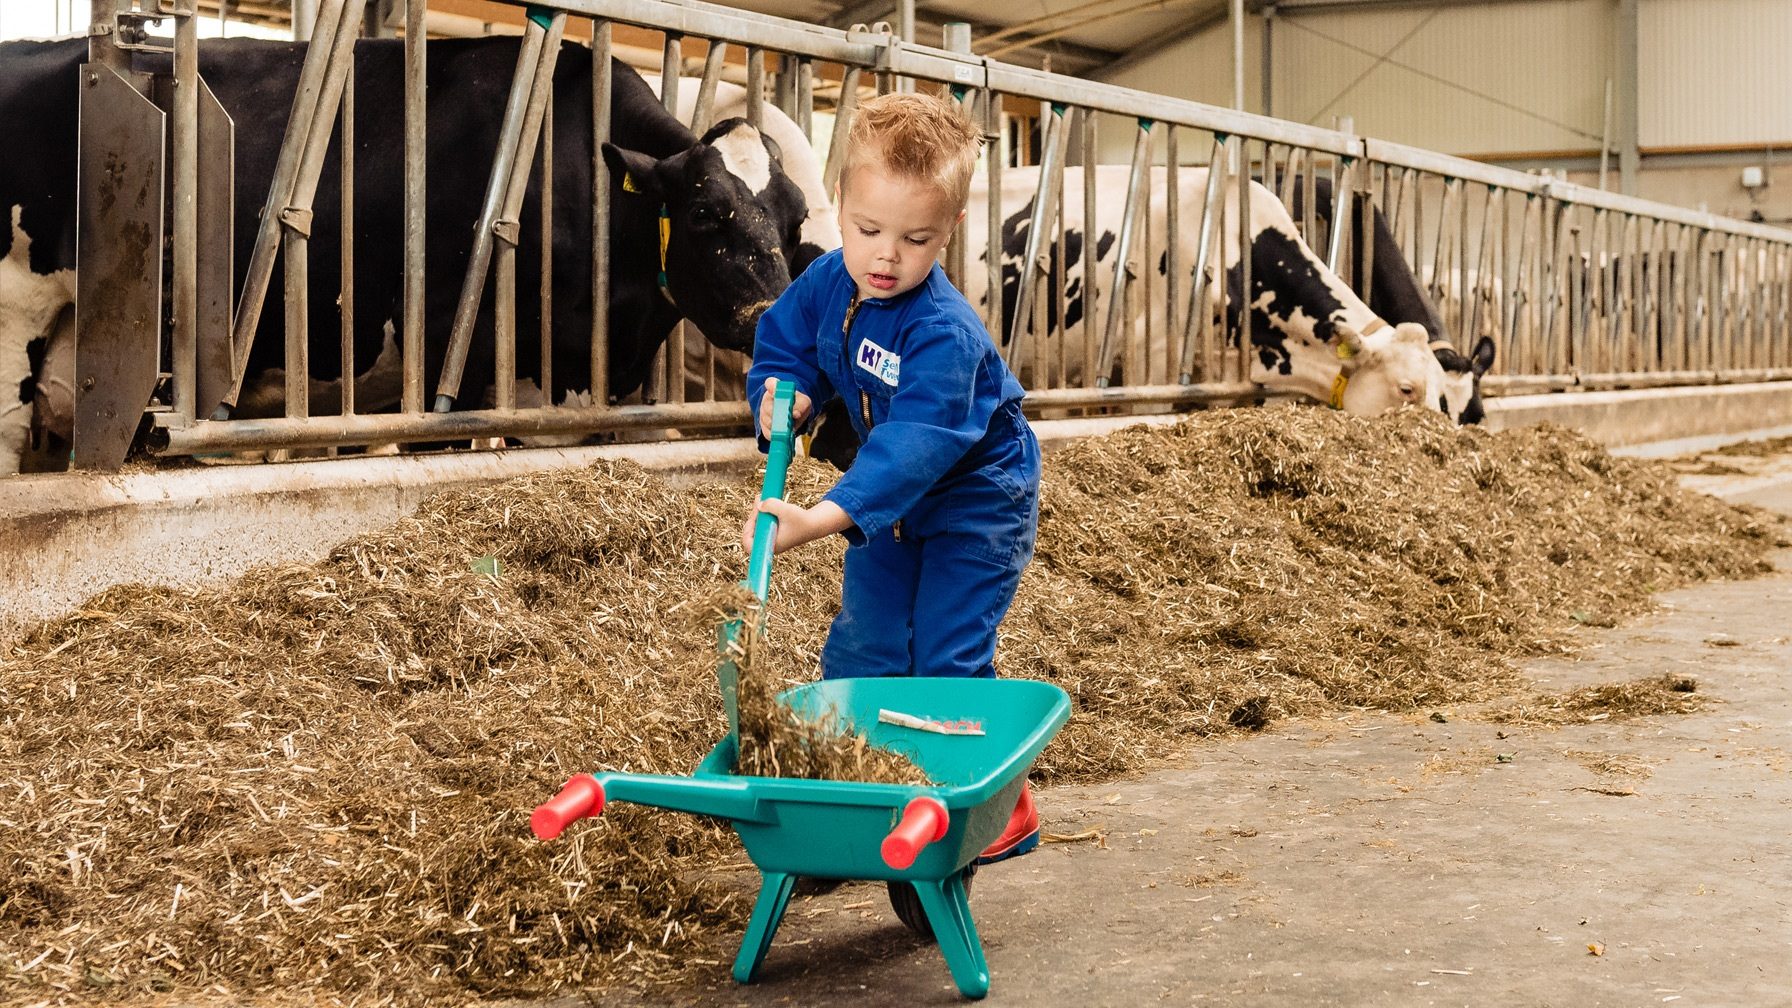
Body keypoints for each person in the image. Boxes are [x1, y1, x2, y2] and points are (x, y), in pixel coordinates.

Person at [740, 91, 1043, 864]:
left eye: (915, 239)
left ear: (951, 231)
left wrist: (823, 514)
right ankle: (859, 796)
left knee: (946, 652)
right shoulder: (829, 283)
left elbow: (912, 445)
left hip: (976, 501)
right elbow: (785, 342)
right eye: (867, 229)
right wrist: (783, 393)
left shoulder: (943, 332)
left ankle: (993, 804)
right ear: (839, 203)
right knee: (865, 643)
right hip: (884, 502)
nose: (885, 256)